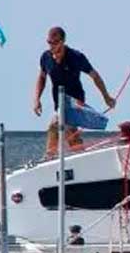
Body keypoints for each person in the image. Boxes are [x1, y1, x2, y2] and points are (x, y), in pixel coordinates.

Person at [33, 26, 116, 158]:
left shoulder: (76, 57)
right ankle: (77, 156)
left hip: (75, 101)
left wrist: (106, 97)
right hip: (59, 101)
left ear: (63, 41)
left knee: (56, 124)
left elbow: (95, 76)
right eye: (49, 43)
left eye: (55, 42)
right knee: (68, 130)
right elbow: (42, 77)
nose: (52, 46)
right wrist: (37, 99)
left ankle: (50, 156)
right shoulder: (46, 57)